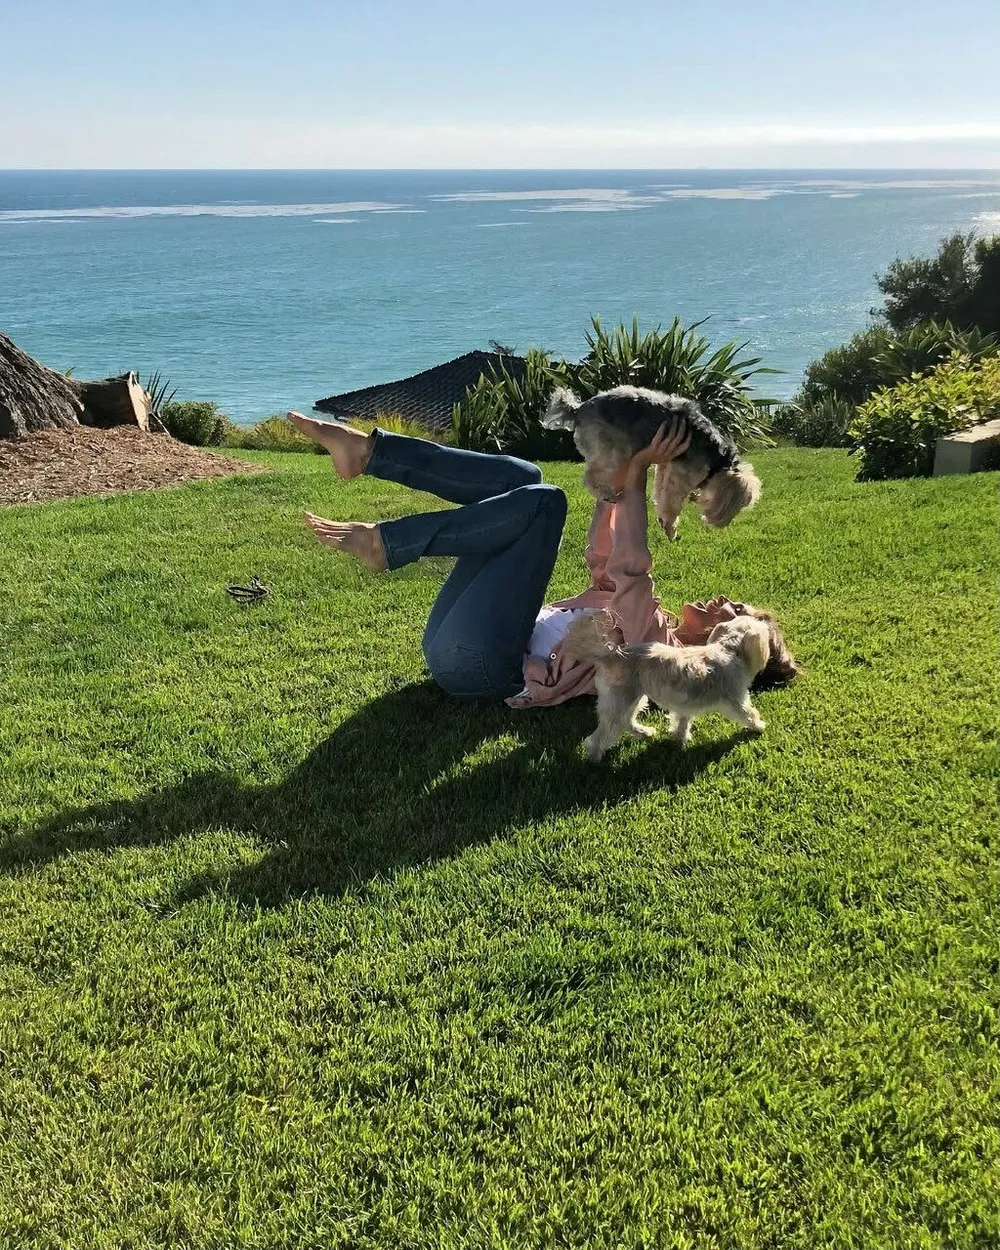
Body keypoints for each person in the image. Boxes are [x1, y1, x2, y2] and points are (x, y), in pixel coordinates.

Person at [286, 412, 799, 707]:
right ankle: (369, 453)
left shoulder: (660, 653)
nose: (725, 600)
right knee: (525, 480)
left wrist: (640, 470)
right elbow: (606, 559)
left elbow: (630, 567)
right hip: (464, 642)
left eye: (736, 611)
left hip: (487, 668)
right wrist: (619, 474)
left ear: (732, 646)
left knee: (544, 503)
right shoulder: (652, 619)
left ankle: (387, 544)